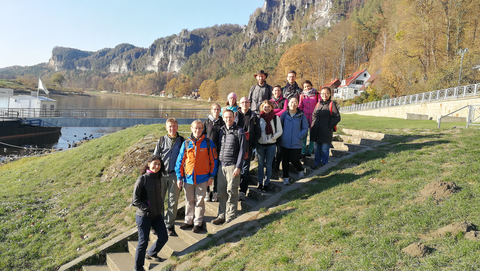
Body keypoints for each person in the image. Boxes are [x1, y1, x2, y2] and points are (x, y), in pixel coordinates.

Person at [175, 120, 218, 233]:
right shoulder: (186, 143)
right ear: (191, 128)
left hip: (203, 178)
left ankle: (197, 223)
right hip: (188, 178)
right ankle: (188, 221)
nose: (197, 130)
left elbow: (214, 161)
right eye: (195, 128)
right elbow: (180, 161)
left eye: (200, 128)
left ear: (202, 129)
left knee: (199, 201)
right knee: (189, 200)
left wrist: (211, 176)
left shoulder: (208, 143)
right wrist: (179, 177)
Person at [132, 155, 169, 269]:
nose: (157, 166)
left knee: (163, 237)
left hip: (156, 215)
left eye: (159, 164)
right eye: (154, 163)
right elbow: (135, 200)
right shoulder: (142, 179)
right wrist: (147, 208)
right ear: (149, 164)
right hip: (144, 216)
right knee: (143, 243)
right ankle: (138, 268)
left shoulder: (158, 178)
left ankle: (152, 252)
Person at [212, 109, 247, 225]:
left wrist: (238, 166)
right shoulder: (222, 131)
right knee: (221, 192)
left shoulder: (239, 131)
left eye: (230, 117)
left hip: (232, 166)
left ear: (234, 117)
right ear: (223, 118)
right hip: (221, 165)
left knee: (232, 192)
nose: (228, 119)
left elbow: (242, 150)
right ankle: (221, 215)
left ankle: (230, 217)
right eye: (226, 117)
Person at [153, 118, 184, 237]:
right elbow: (155, 158)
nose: (172, 128)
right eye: (170, 126)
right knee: (159, 201)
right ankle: (158, 224)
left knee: (173, 201)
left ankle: (169, 225)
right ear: (166, 127)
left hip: (175, 176)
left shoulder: (181, 141)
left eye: (174, 126)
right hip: (161, 175)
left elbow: (184, 159)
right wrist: (153, 173)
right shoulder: (161, 141)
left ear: (177, 127)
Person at [236, 97, 261, 201]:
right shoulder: (235, 115)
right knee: (235, 169)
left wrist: (253, 143)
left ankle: (242, 191)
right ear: (239, 104)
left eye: (246, 102)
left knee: (245, 170)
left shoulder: (254, 116)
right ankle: (233, 190)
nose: (244, 104)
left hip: (247, 147)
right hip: (236, 147)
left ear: (249, 104)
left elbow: (258, 131)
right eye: (242, 102)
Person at [279, 97, 308, 185]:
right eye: (291, 102)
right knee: (285, 161)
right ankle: (286, 177)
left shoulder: (301, 115)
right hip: (284, 142)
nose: (293, 104)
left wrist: (300, 136)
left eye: (295, 102)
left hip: (296, 142)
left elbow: (305, 128)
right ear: (288, 104)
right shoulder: (284, 115)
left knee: (294, 159)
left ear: (298, 104)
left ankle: (300, 170)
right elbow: (280, 127)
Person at [310, 87, 341, 169]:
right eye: (323, 93)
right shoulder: (318, 104)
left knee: (324, 149)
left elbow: (337, 117)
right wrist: (313, 123)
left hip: (326, 131)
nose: (325, 95)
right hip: (317, 130)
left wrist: (329, 126)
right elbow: (314, 115)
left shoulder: (331, 104)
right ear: (320, 94)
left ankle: (324, 164)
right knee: (316, 149)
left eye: (327, 93)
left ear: (330, 94)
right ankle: (316, 163)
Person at [257, 100, 283, 192]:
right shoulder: (259, 117)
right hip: (260, 145)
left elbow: (280, 131)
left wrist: (272, 137)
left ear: (272, 107)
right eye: (265, 106)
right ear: (262, 107)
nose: (266, 108)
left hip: (271, 145)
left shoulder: (276, 118)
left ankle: (266, 183)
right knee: (260, 165)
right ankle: (260, 183)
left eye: (268, 106)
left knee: (268, 165)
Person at [203, 103, 225, 202]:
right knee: (207, 171)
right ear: (211, 110)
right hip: (208, 151)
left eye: (218, 109)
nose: (216, 111)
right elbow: (202, 135)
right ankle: (207, 192)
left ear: (220, 111)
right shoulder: (207, 122)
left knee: (216, 173)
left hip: (219, 151)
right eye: (215, 109)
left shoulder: (223, 122)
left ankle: (215, 192)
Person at [299, 80, 320, 158]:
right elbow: (300, 106)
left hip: (314, 116)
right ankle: (303, 151)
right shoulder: (302, 95)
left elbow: (319, 104)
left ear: (311, 86)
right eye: (305, 86)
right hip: (304, 116)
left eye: (308, 86)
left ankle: (310, 151)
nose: (307, 88)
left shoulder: (317, 94)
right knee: (304, 134)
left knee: (312, 134)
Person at [270, 85, 288, 174]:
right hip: (272, 126)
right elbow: (270, 111)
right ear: (273, 91)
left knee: (280, 148)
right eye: (275, 90)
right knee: (273, 146)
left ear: (281, 91)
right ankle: (272, 165)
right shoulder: (270, 101)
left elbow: (285, 109)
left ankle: (277, 165)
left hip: (283, 125)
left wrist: (275, 113)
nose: (277, 92)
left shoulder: (285, 100)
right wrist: (278, 110)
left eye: (279, 90)